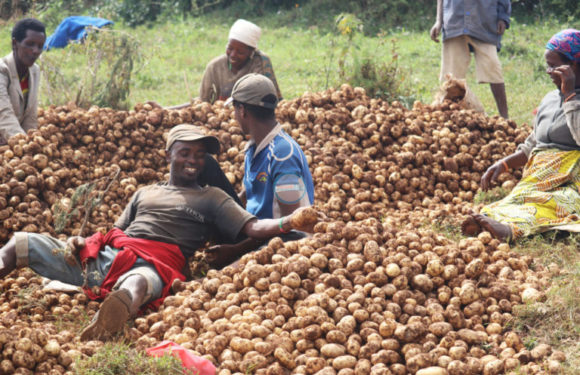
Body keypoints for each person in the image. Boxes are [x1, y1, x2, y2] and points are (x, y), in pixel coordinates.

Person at [0, 124, 316, 341]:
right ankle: (110, 301)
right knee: (20, 243)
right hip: (108, 259)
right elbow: (115, 233)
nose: (193, 160)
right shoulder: (144, 193)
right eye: (185, 153)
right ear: (168, 155)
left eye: (199, 155)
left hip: (155, 265)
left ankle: (111, 318)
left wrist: (289, 222)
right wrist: (80, 242)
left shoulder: (212, 198)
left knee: (137, 282)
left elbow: (253, 226)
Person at [462, 29, 580, 242]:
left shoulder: (573, 99)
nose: (548, 71)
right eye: (547, 65)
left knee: (557, 202)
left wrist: (571, 96)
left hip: (571, 181)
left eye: (554, 66)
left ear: (574, 65)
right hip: (539, 176)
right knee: (518, 199)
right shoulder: (550, 99)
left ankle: (511, 230)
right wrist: (503, 164)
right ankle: (494, 222)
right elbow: (533, 143)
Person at [205, 74, 315, 266]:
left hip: (282, 240)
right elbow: (251, 188)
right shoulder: (255, 146)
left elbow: (294, 223)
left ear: (242, 111)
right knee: (206, 164)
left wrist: (237, 251)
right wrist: (226, 214)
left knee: (226, 276)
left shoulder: (282, 156)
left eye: (234, 109)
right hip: (255, 230)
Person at [430, 0, 510, 118]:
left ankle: (505, 117)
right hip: (454, 22)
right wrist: (438, 21)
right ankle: (447, 116)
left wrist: (503, 18)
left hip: (483, 22)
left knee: (493, 67)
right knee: (451, 76)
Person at [0, 18, 46, 144]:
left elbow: (30, 115)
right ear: (15, 44)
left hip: (10, 139)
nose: (36, 50)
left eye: (40, 46)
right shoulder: (2, 70)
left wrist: (32, 143)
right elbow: (3, 112)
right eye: (30, 44)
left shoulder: (34, 71)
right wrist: (23, 143)